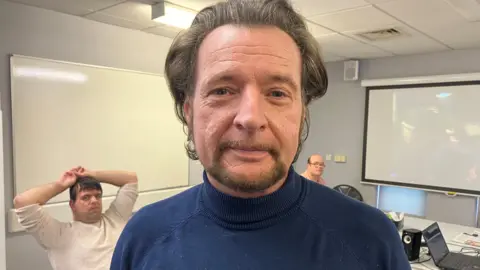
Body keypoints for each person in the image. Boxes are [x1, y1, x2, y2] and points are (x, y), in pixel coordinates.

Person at [111, 0, 410, 269]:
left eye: (277, 93)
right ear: (189, 112)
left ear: (302, 112)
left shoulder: (371, 241)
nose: (251, 118)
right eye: (222, 90)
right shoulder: (143, 238)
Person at [14, 166, 138, 270]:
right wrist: (60, 185)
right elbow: (23, 201)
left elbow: (131, 180)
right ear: (72, 205)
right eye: (86, 197)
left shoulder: (115, 218)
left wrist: (93, 174)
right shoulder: (58, 235)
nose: (94, 201)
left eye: (97, 196)